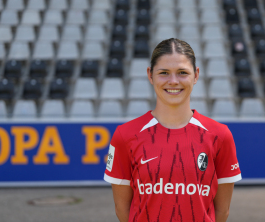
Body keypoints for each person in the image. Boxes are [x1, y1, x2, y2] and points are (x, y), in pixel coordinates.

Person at [104, 38, 242, 222]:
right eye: (164, 73)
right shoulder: (125, 135)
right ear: (150, 75)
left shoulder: (220, 135)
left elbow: (222, 212)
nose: (173, 81)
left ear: (196, 75)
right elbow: (123, 210)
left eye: (182, 72)